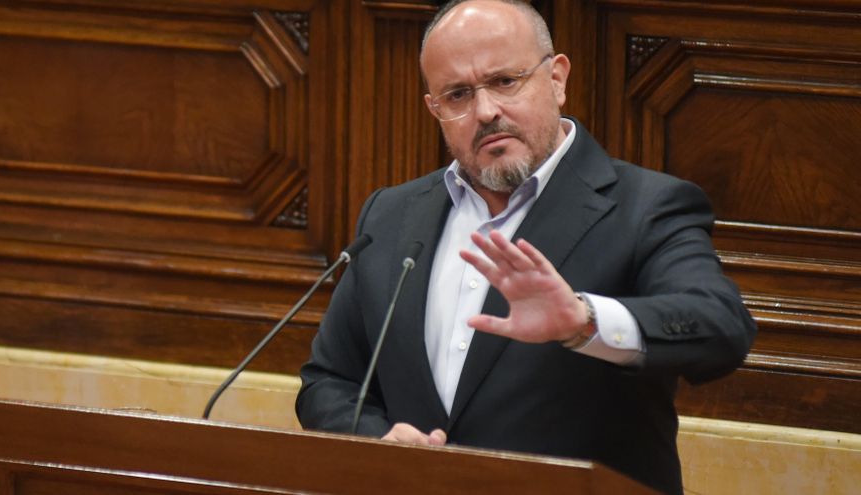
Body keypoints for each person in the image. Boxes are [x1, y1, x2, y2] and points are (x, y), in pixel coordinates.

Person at [295, 1, 756, 493]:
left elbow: (721, 327)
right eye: (458, 94)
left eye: (505, 81)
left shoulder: (646, 207)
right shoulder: (390, 216)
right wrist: (379, 443)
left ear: (556, 78)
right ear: (435, 109)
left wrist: (585, 321)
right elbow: (329, 381)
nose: (486, 111)